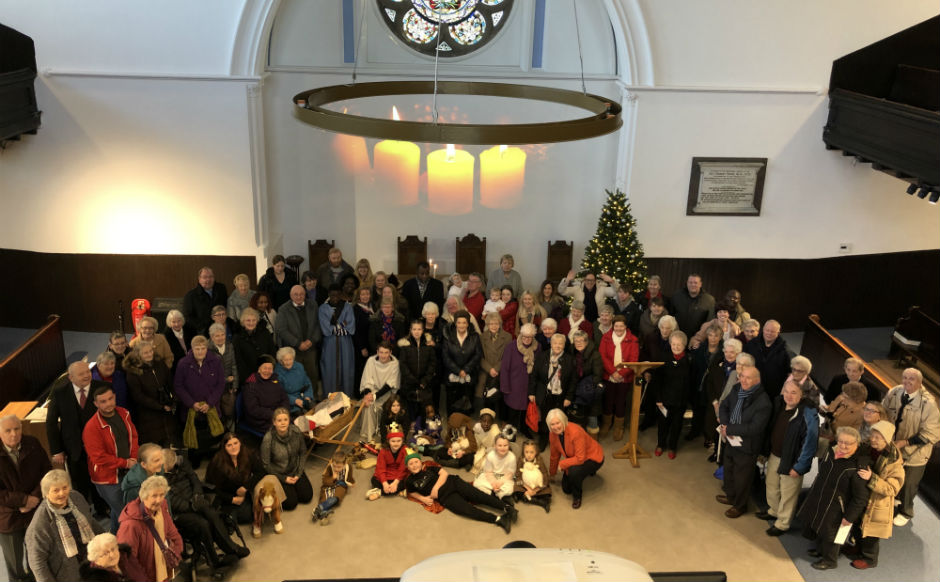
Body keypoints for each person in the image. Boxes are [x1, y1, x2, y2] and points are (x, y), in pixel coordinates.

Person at [797, 426, 871, 570]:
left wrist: (849, 517)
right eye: (841, 441)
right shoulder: (831, 451)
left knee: (832, 534)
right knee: (819, 526)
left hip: (839, 506)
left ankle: (830, 560)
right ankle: (820, 551)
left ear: (856, 444)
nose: (843, 446)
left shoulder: (858, 467)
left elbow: (860, 498)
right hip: (822, 497)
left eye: (848, 443)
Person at [162, 449, 248, 569]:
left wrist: (197, 495)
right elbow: (170, 500)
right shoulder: (159, 478)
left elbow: (194, 479)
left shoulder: (181, 463)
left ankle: (231, 547)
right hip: (180, 511)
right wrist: (191, 506)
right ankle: (215, 559)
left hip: (194, 499)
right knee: (203, 523)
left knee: (211, 513)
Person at [758, 379, 819, 536]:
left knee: (788, 494)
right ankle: (774, 511)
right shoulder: (778, 405)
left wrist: (799, 467)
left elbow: (810, 443)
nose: (789, 396)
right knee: (771, 485)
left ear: (802, 395)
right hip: (774, 455)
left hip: (792, 460)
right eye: (787, 391)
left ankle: (783, 524)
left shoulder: (808, 413)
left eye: (794, 393)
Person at [882, 367, 940, 527]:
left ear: (920, 382)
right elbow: (884, 410)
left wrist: (905, 442)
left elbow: (932, 433)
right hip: (893, 447)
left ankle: (906, 511)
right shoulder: (895, 392)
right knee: (891, 475)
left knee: (909, 484)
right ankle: (894, 500)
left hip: (915, 453)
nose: (907, 381)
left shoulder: (928, 404)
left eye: (911, 379)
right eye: (905, 377)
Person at [404, 452, 514, 534]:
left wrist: (435, 489)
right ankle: (499, 519)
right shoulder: (410, 481)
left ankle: (506, 508)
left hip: (453, 482)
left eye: (416, 462)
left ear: (420, 462)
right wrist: (423, 499)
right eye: (411, 464)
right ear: (407, 467)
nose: (414, 465)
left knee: (478, 495)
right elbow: (412, 492)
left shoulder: (428, 468)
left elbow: (444, 473)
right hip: (446, 497)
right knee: (467, 510)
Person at [25, 469, 104, 582]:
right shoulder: (41, 522)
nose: (62, 493)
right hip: (67, 574)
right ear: (46, 493)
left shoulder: (76, 498)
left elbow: (90, 521)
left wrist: (107, 541)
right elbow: (37, 561)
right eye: (56, 490)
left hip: (91, 563)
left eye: (65, 488)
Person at [0, 415, 52, 582]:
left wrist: (34, 498)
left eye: (17, 429)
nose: (14, 434)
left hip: (35, 512)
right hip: (7, 517)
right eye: (8, 430)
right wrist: (23, 501)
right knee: (15, 565)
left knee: (37, 558)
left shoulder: (32, 443)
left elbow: (47, 472)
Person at [717, 366, 771, 518]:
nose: (744, 380)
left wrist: (730, 429)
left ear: (757, 381)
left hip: (747, 446)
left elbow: (755, 428)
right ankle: (731, 496)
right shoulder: (736, 389)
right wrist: (726, 425)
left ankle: (740, 506)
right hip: (731, 439)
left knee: (742, 478)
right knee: (729, 470)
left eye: (748, 378)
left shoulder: (763, 402)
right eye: (742, 376)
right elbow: (725, 406)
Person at [83, 385, 139, 533]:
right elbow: (98, 458)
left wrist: (133, 458)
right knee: (128, 514)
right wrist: (126, 463)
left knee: (118, 510)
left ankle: (115, 538)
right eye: (103, 401)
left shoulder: (124, 413)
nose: (108, 404)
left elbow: (133, 437)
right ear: (96, 404)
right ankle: (130, 547)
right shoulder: (91, 427)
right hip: (107, 478)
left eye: (110, 399)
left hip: (127, 471)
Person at [116, 475, 183, 582]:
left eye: (162, 495)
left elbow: (173, 534)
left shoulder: (162, 508)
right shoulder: (130, 525)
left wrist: (176, 553)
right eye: (154, 496)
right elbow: (127, 560)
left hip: (164, 571)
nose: (159, 500)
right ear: (144, 496)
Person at [174, 335, 225, 461]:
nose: (200, 351)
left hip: (211, 407)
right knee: (194, 438)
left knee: (211, 436)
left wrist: (210, 403)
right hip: (191, 410)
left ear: (207, 348)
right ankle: (195, 459)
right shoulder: (183, 363)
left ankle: (209, 456)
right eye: (197, 349)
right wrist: (192, 403)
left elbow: (220, 384)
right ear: (192, 349)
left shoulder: (216, 361)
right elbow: (178, 386)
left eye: (203, 348)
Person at [547, 408, 603, 509]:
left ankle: (577, 497)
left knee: (574, 471)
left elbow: (580, 458)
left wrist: (563, 464)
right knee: (566, 489)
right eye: (552, 424)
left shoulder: (575, 431)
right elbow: (554, 455)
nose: (555, 427)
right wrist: (552, 473)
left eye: (557, 423)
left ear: (563, 421)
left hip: (593, 456)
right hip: (574, 457)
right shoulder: (552, 434)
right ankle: (584, 472)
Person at [205, 433, 265, 525]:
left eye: (235, 443)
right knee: (230, 517)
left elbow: (260, 472)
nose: (233, 447)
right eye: (229, 445)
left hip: (242, 492)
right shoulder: (217, 461)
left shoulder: (248, 454)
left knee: (248, 516)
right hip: (225, 495)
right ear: (224, 447)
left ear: (240, 443)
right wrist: (231, 499)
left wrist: (246, 487)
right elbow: (211, 487)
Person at [260, 408, 313, 510]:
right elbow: (266, 464)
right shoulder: (268, 439)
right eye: (279, 420)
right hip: (280, 473)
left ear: (289, 421)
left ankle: (295, 483)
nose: (283, 423)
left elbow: (302, 452)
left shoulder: (296, 432)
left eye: (285, 420)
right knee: (290, 504)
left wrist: (299, 473)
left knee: (306, 497)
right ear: (274, 422)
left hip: (295, 469)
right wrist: (283, 478)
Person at [529, 334, 574, 451]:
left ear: (564, 345)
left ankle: (559, 442)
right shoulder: (542, 356)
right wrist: (531, 392)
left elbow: (573, 381)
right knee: (544, 418)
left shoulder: (569, 359)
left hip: (561, 396)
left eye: (560, 343)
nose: (557, 346)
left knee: (559, 419)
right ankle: (543, 439)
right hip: (545, 394)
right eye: (555, 343)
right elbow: (534, 375)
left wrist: (569, 397)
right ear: (551, 344)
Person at [598, 316, 640, 440]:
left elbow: (634, 360)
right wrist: (613, 372)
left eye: (621, 326)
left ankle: (618, 427)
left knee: (621, 402)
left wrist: (620, 374)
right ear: (613, 326)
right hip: (609, 375)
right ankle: (606, 424)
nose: (619, 328)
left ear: (626, 326)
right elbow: (602, 356)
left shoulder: (633, 340)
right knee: (608, 401)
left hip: (625, 377)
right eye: (616, 326)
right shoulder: (606, 338)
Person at [275, 285, 321, 394]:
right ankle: (298, 401)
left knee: (312, 375)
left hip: (310, 348)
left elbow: (318, 325)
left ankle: (312, 399)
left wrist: (311, 341)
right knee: (295, 377)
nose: (299, 297)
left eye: (301, 294)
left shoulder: (313, 305)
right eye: (296, 294)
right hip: (293, 350)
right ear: (291, 296)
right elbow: (281, 330)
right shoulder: (283, 309)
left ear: (305, 295)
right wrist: (297, 343)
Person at [653, 331, 691, 459]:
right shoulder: (663, 358)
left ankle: (672, 447)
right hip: (664, 400)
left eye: (678, 345)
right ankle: (660, 444)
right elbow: (657, 380)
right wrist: (658, 398)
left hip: (680, 401)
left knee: (676, 425)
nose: (675, 347)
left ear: (684, 345)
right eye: (673, 344)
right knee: (663, 424)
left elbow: (692, 381)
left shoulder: (689, 360)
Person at [704, 339, 743, 459]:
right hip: (716, 404)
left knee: (728, 430)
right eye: (726, 351)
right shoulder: (718, 365)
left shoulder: (741, 369)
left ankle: (725, 456)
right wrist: (715, 403)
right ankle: (717, 452)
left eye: (732, 352)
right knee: (716, 428)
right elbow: (708, 384)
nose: (729, 354)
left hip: (732, 406)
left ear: (738, 353)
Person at [687, 323, 723, 443]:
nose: (713, 338)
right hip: (700, 384)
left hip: (714, 386)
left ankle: (709, 436)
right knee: (697, 410)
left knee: (711, 413)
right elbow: (694, 369)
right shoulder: (700, 349)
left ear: (720, 337)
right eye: (710, 335)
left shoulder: (723, 352)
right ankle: (695, 431)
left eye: (716, 336)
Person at [359, 342, 400, 444]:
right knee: (368, 405)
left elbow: (391, 384)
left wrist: (375, 396)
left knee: (389, 405)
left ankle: (382, 430)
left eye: (386, 352)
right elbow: (367, 379)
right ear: (377, 352)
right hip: (373, 390)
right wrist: (369, 395)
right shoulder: (371, 361)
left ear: (390, 352)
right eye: (381, 352)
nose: (383, 355)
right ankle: (369, 433)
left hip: (387, 393)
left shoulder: (395, 363)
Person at [442, 311, 482, 415]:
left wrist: (466, 370)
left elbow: (478, 355)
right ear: (455, 323)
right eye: (459, 322)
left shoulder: (475, 336)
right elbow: (445, 357)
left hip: (469, 375)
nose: (461, 325)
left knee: (467, 403)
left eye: (464, 322)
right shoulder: (448, 336)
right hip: (452, 375)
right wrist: (458, 371)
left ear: (468, 323)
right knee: (452, 403)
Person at [320, 284, 357, 396]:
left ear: (341, 295)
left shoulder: (347, 307)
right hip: (329, 343)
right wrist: (342, 325)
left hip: (345, 343)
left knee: (347, 369)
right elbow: (326, 329)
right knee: (329, 370)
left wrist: (336, 327)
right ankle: (330, 399)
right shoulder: (322, 309)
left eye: (337, 295)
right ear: (329, 295)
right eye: (332, 295)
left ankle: (347, 398)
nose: (335, 297)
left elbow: (350, 327)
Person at [398, 319, 437, 420]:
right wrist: (413, 380)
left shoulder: (428, 345)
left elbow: (432, 363)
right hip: (409, 383)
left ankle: (423, 425)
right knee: (410, 408)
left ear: (423, 330)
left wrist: (425, 380)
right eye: (414, 329)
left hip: (425, 383)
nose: (416, 331)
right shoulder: (405, 346)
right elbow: (403, 365)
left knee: (423, 411)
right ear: (410, 330)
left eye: (419, 329)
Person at [743, 319, 791, 398]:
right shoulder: (752, 344)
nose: (769, 333)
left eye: (772, 331)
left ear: (778, 333)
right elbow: (744, 361)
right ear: (763, 330)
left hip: (773, 390)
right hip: (753, 386)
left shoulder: (785, 351)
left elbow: (789, 372)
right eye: (767, 330)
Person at [242, 355, 289, 436]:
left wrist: (283, 412)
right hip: (261, 420)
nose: (267, 371)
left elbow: (284, 398)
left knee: (293, 427)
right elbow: (253, 409)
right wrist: (275, 415)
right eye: (264, 368)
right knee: (282, 431)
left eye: (270, 368)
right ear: (259, 369)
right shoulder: (251, 384)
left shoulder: (275, 380)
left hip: (278, 415)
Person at [570, 330, 604, 438]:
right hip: (575, 390)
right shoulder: (571, 353)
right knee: (577, 417)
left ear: (587, 341)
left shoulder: (595, 355)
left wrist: (584, 387)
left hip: (590, 390)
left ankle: (593, 442)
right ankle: (579, 440)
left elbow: (598, 375)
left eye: (581, 341)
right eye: (576, 341)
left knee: (591, 417)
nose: (579, 343)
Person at [233, 307, 277, 390]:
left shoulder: (265, 333)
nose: (251, 323)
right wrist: (251, 378)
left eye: (254, 320)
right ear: (243, 322)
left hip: (267, 373)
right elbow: (239, 361)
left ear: (257, 321)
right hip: (249, 378)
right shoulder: (237, 338)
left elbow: (272, 351)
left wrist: (267, 371)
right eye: (248, 320)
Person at [478, 312, 512, 413]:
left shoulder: (507, 337)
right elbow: (479, 357)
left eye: (496, 323)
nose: (494, 326)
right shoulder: (481, 337)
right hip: (486, 371)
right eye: (491, 324)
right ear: (487, 324)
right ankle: (488, 418)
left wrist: (496, 369)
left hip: (501, 371)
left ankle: (502, 420)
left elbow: (507, 356)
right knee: (487, 396)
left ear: (500, 324)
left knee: (501, 398)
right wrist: (490, 369)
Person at [80, 532, 148, 582]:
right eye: (105, 553)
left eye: (113, 549)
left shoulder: (126, 556)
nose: (112, 555)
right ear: (95, 560)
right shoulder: (95, 578)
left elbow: (142, 574)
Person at [208, 322, 239, 429]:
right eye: (217, 335)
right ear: (212, 337)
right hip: (214, 389)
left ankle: (231, 434)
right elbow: (210, 373)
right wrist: (226, 380)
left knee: (230, 413)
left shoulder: (230, 346)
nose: (221, 338)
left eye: (222, 335)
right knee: (217, 414)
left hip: (228, 389)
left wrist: (235, 385)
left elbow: (234, 365)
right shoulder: (207, 350)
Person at [312, 450, 356, 523]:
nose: (336, 469)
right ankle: (322, 511)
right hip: (329, 485)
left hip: (340, 485)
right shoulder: (330, 468)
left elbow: (349, 476)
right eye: (335, 466)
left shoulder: (348, 467)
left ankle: (319, 510)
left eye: (339, 467)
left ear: (344, 464)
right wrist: (333, 478)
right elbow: (324, 481)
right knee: (325, 498)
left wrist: (352, 482)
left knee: (335, 498)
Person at [182, 267, 229, 337]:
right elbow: (187, 317)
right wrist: (202, 327)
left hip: (221, 328)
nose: (208, 279)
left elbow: (226, 306)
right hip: (201, 332)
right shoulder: (190, 296)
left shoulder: (221, 289)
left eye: (211, 277)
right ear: (199, 279)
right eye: (205, 277)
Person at [473, 434, 516, 500]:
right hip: (492, 476)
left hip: (505, 478)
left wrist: (500, 483)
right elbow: (488, 472)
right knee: (476, 483)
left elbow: (510, 474)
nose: (502, 448)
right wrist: (493, 483)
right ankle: (492, 493)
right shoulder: (490, 455)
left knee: (510, 489)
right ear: (495, 446)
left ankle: (498, 494)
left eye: (505, 445)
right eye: (500, 445)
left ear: (508, 446)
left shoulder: (512, 457)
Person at [513, 440, 551, 512]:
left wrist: (536, 490)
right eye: (526, 452)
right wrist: (528, 489)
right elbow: (517, 475)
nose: (529, 455)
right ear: (523, 452)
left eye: (531, 452)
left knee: (547, 493)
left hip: (537, 484)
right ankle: (540, 502)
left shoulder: (539, 460)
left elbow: (545, 475)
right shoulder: (521, 460)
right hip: (525, 484)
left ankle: (534, 498)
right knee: (516, 489)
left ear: (536, 452)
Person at [370, 428, 408, 499]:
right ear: (388, 441)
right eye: (393, 441)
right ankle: (395, 491)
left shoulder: (405, 450)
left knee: (407, 481)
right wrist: (384, 483)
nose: (396, 443)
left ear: (402, 441)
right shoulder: (383, 451)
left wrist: (395, 482)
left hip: (398, 475)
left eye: (399, 441)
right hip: (386, 472)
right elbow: (381, 468)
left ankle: (378, 492)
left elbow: (403, 468)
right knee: (374, 480)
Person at [276, 347, 314, 415]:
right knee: (299, 416)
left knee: (316, 410)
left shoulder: (299, 366)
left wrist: (307, 396)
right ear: (281, 361)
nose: (288, 362)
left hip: (303, 397)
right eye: (285, 360)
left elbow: (307, 383)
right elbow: (279, 393)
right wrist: (294, 400)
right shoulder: (277, 373)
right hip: (289, 402)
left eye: (290, 359)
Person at [352, 287, 375, 387]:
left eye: (367, 294)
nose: (365, 296)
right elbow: (355, 330)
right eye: (363, 294)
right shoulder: (355, 309)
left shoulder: (373, 307)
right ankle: (359, 393)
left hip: (372, 344)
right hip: (361, 346)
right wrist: (362, 347)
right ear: (358, 296)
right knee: (361, 370)